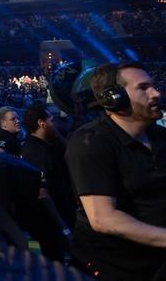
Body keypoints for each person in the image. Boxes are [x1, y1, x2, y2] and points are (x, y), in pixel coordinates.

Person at [65, 62, 166, 280]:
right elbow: (103, 218)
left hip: (156, 263)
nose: (156, 93)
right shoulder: (90, 141)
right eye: (143, 87)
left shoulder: (159, 136)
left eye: (153, 86)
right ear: (114, 98)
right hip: (115, 269)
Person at [20, 104, 75, 263]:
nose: (55, 123)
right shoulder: (37, 152)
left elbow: (69, 152)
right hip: (50, 225)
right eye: (52, 120)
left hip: (57, 218)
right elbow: (42, 194)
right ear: (41, 123)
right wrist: (64, 229)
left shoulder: (45, 145)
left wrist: (56, 134)